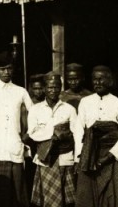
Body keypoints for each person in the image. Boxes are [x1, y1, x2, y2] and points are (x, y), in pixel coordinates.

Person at [0, 53, 32, 207]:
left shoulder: (21, 91)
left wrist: (26, 136)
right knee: (0, 192)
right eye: (3, 69)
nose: (6, 72)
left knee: (18, 192)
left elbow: (34, 115)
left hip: (15, 146)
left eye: (9, 69)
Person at [74, 66, 118, 207]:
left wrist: (108, 157)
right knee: (86, 196)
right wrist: (80, 156)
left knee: (110, 197)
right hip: (88, 156)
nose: (97, 83)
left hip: (110, 157)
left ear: (109, 81)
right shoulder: (85, 102)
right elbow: (79, 130)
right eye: (94, 79)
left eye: (101, 79)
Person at [26, 72, 77, 207]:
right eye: (49, 87)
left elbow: (75, 135)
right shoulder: (35, 109)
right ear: (44, 88)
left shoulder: (69, 109)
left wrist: (64, 136)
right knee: (48, 199)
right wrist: (55, 132)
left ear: (60, 88)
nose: (53, 90)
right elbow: (32, 133)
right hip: (45, 159)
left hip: (65, 158)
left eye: (56, 87)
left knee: (67, 200)